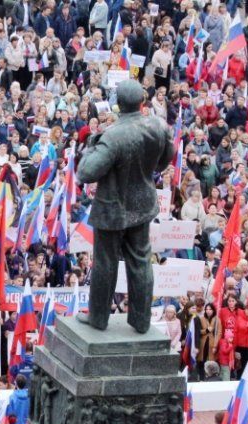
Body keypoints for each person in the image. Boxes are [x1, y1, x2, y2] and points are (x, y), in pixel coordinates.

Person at [75, 79, 174, 334]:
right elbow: (164, 160)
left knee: (105, 262)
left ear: (117, 105)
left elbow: (85, 173)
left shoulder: (112, 136)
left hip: (113, 209)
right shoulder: (158, 126)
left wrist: (92, 145)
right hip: (142, 205)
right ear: (142, 101)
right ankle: (141, 321)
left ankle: (98, 318)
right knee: (141, 260)